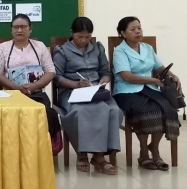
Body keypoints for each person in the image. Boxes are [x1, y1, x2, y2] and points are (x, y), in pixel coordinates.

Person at [53, 17, 123, 174]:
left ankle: (99, 155)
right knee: (81, 111)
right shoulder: (62, 50)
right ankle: (84, 154)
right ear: (72, 33)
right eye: (80, 37)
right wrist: (75, 84)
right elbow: (57, 76)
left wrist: (103, 81)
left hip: (95, 92)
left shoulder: (97, 48)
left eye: (88, 37)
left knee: (114, 110)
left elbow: (106, 71)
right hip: (71, 92)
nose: (84, 40)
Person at [113, 16, 181, 171]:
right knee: (144, 111)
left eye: (139, 28)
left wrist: (173, 76)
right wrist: (153, 81)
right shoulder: (120, 51)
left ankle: (154, 148)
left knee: (168, 109)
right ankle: (144, 153)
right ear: (123, 33)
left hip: (149, 89)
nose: (138, 31)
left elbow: (160, 68)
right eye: (133, 29)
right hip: (126, 91)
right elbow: (127, 76)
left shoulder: (147, 48)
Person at [0, 14, 62, 154]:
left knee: (48, 113)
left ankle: (43, 151)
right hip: (12, 95)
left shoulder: (40, 46)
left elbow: (50, 71)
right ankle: (13, 151)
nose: (19, 30)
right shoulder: (3, 47)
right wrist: (15, 87)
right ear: (11, 29)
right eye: (16, 27)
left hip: (36, 93)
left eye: (23, 27)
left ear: (30, 29)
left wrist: (34, 86)